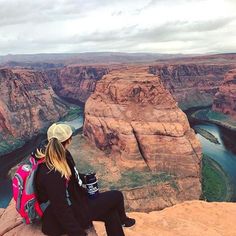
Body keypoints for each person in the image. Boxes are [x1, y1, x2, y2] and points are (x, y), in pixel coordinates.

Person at [35, 123, 135, 236]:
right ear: (69, 139)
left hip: (75, 203)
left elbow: (72, 176)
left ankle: (122, 221)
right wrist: (78, 233)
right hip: (57, 221)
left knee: (110, 212)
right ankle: (123, 220)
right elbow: (60, 208)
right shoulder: (52, 172)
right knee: (116, 196)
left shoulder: (59, 155)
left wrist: (86, 177)